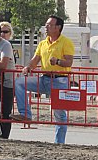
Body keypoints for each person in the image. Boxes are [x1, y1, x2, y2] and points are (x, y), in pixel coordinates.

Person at [12, 15, 74, 144]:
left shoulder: (66, 42)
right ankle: (26, 114)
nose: (46, 27)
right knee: (19, 82)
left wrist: (57, 61)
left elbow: (69, 62)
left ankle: (59, 143)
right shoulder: (42, 43)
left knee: (59, 114)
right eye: (46, 25)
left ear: (58, 28)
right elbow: (35, 60)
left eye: (49, 25)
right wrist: (28, 67)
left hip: (60, 80)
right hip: (44, 78)